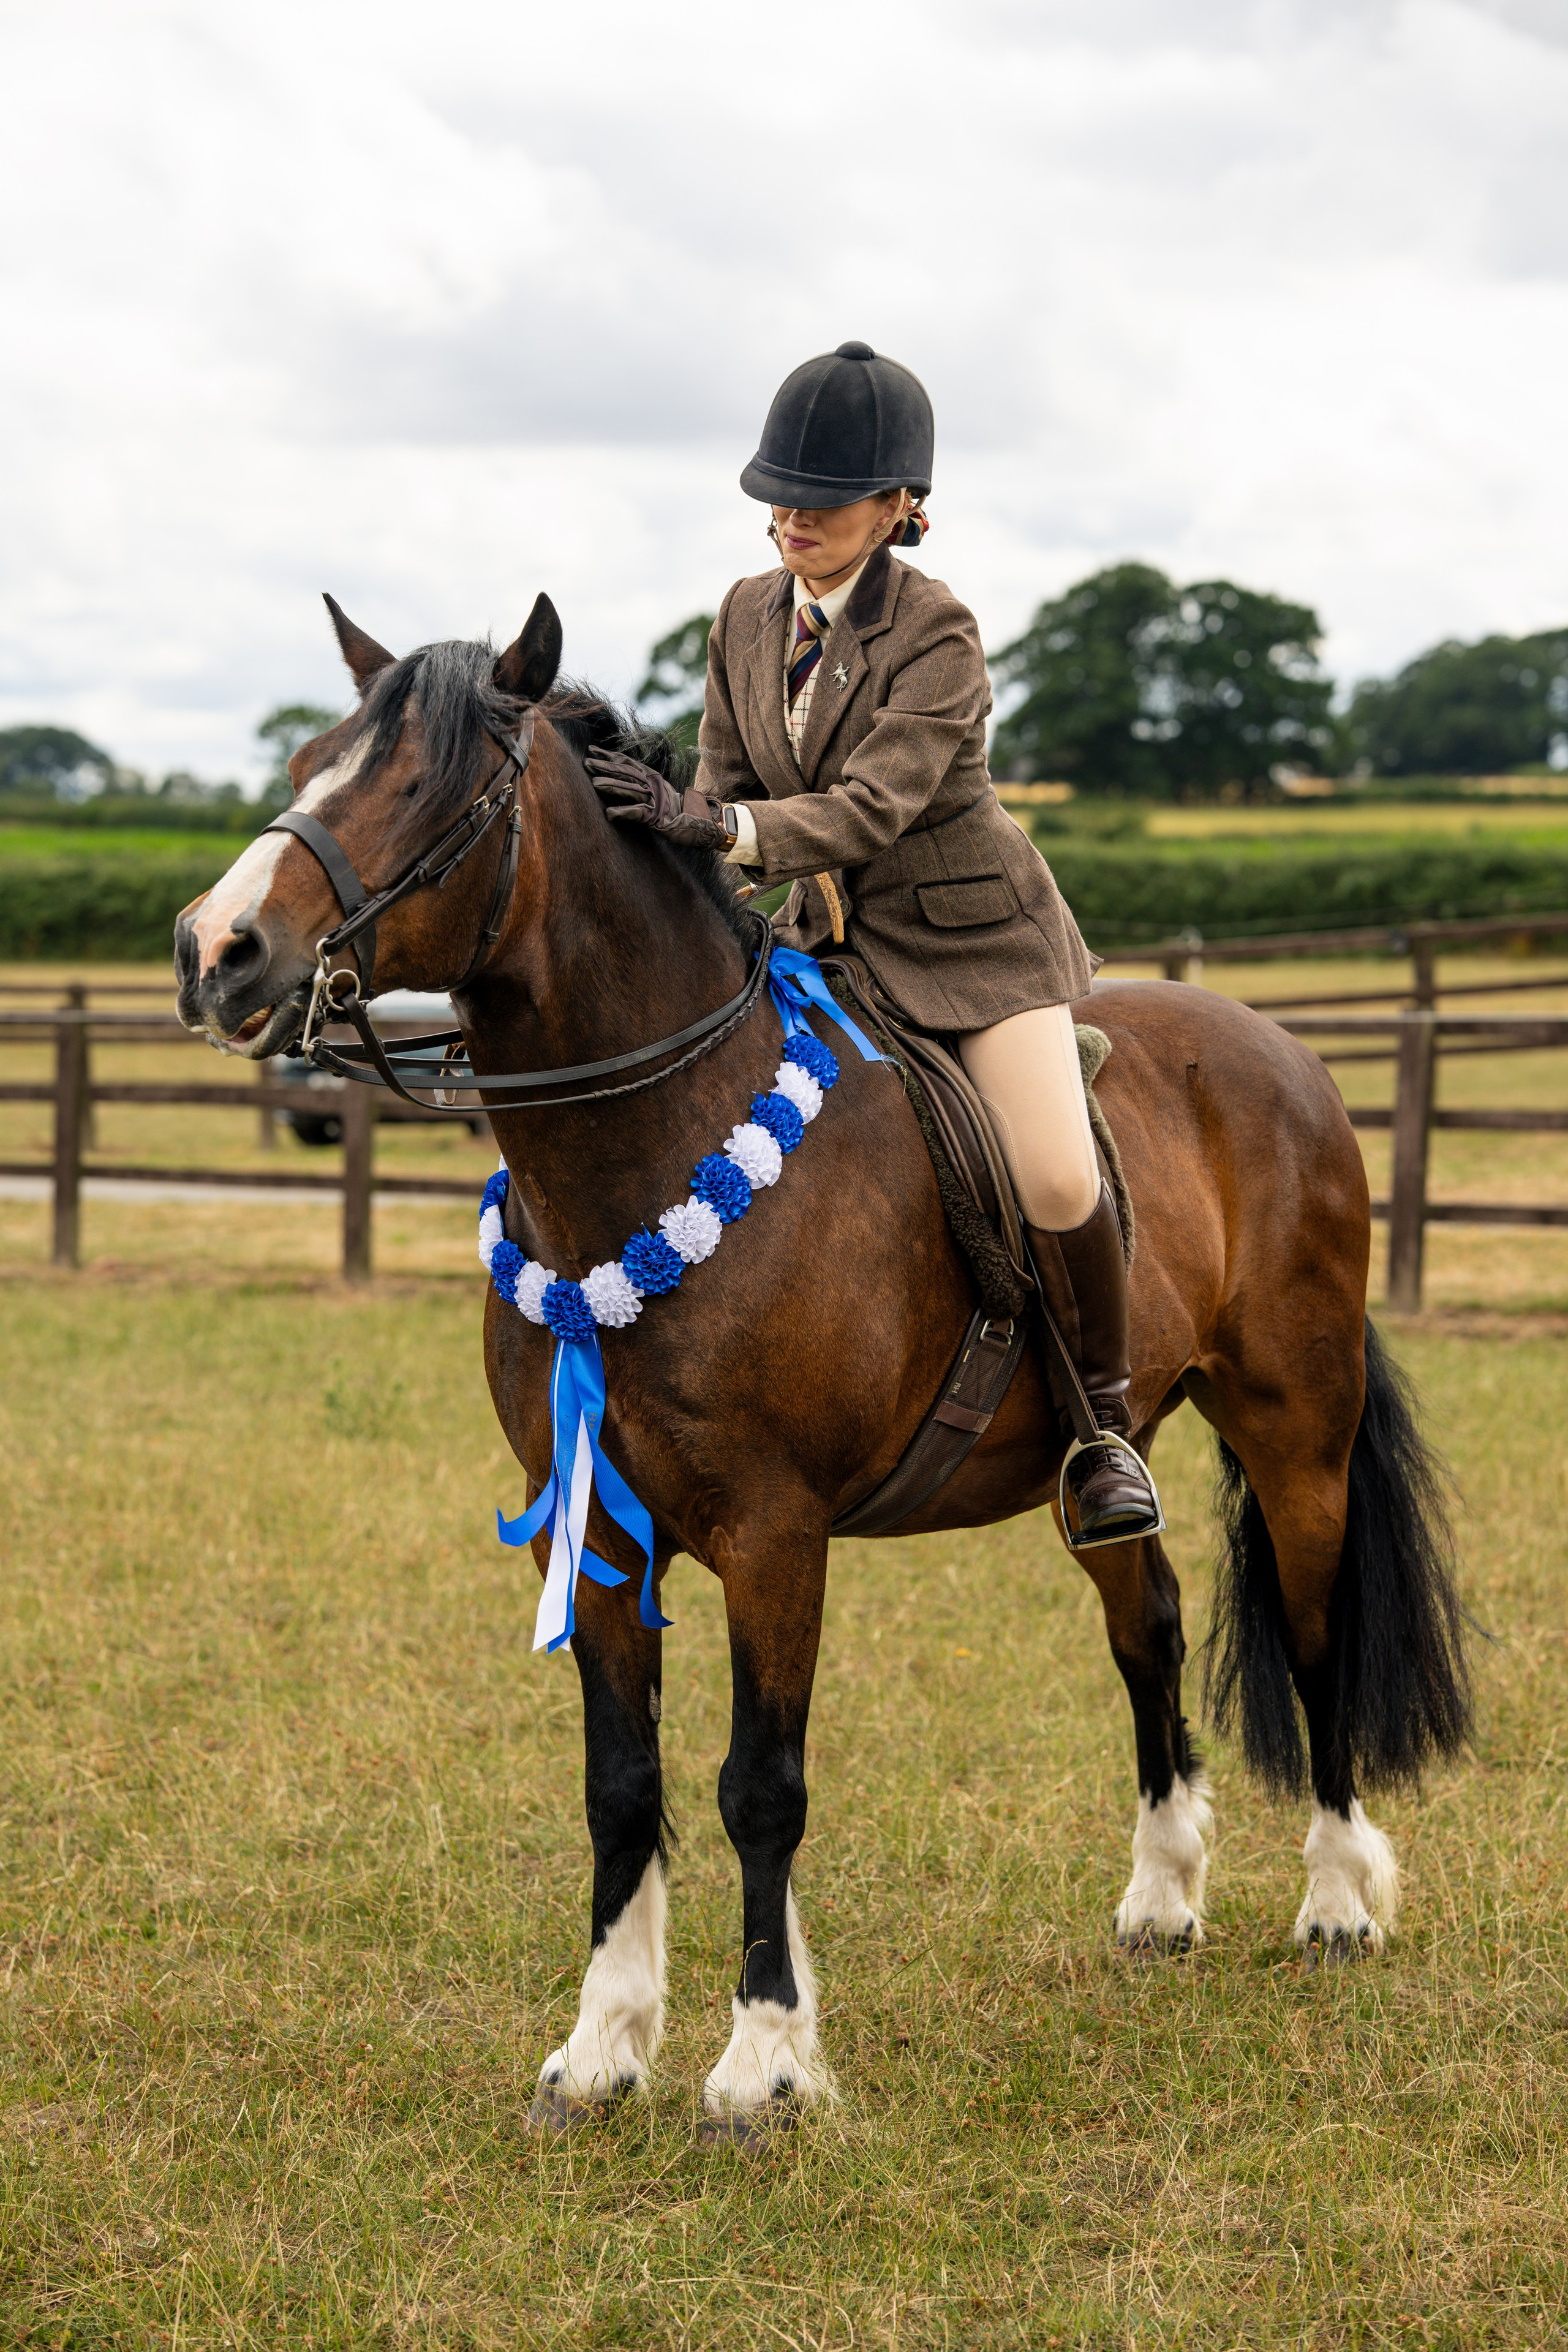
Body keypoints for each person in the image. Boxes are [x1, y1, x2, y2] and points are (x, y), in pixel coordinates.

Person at [586, 341, 1159, 1543]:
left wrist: (721, 826)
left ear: (900, 506)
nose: (793, 519)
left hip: (969, 946)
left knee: (1057, 1174)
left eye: (825, 500)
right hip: (820, 936)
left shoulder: (937, 632)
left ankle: (1101, 1429)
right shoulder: (743, 617)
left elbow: (871, 807)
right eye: (778, 497)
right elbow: (721, 784)